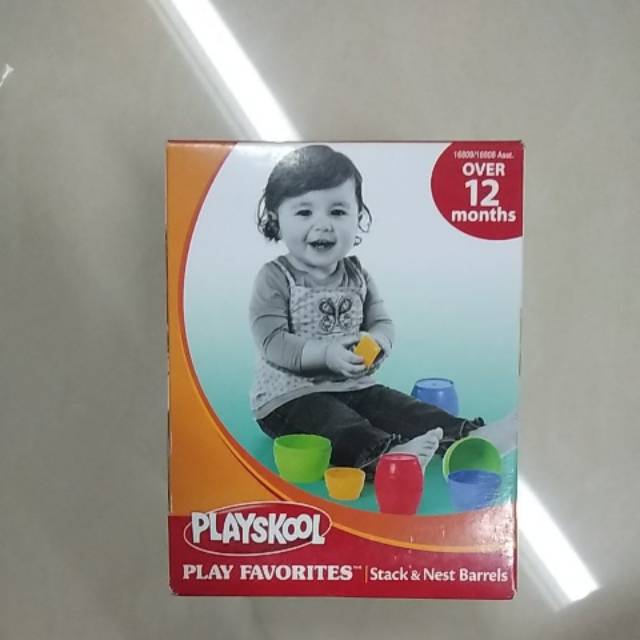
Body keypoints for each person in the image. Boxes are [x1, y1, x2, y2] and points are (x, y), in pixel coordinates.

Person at [249, 144, 483, 477]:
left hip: (354, 386)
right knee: (336, 423)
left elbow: (381, 321)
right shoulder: (275, 277)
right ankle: (387, 455)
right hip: (289, 398)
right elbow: (271, 341)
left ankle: (469, 438)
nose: (323, 224)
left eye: (337, 211)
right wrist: (326, 354)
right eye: (304, 213)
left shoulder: (358, 275)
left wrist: (378, 342)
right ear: (276, 218)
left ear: (359, 217)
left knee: (401, 407)